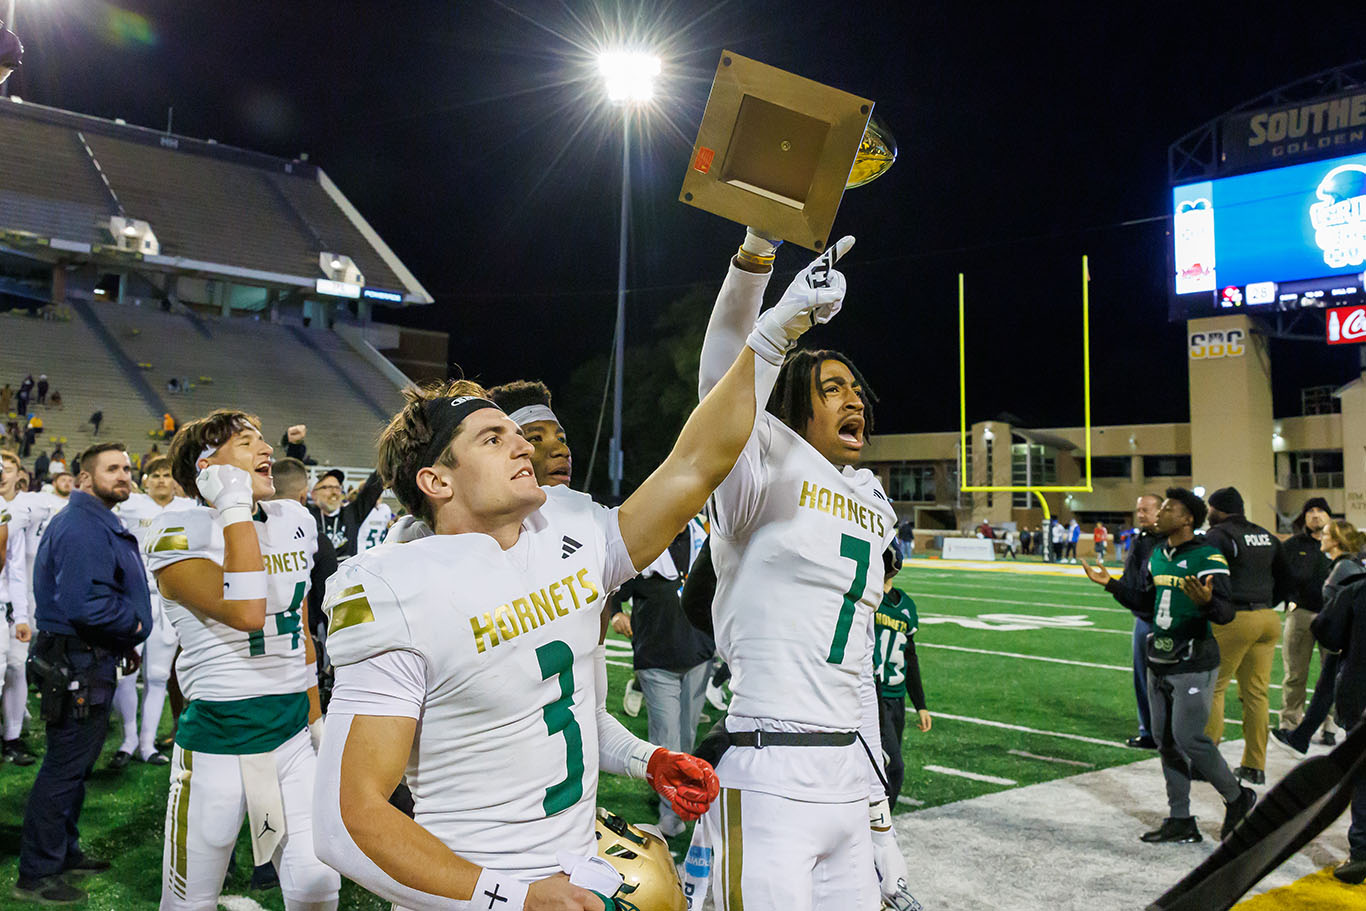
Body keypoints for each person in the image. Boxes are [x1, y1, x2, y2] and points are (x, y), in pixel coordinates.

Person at [312, 234, 844, 908]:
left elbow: (695, 463)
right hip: (478, 892)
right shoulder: (393, 586)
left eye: (516, 434)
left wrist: (771, 336)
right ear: (436, 480)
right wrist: (510, 895)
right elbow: (347, 820)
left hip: (576, 874)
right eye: (492, 438)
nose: (519, 446)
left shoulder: (569, 530)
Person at [686, 232, 911, 911]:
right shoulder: (761, 468)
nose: (854, 400)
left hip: (847, 776)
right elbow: (719, 383)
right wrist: (759, 270)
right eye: (832, 388)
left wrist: (879, 816)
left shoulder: (872, 502)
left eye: (857, 390)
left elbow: (858, 670)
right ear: (793, 403)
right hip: (768, 770)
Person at [144, 411, 338, 910]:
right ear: (207, 466)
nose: (266, 449)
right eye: (247, 443)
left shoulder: (294, 520)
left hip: (292, 731)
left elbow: (299, 627)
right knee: (189, 901)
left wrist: (316, 717)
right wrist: (232, 507)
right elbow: (248, 612)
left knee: (317, 885)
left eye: (262, 439)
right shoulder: (178, 530)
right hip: (219, 739)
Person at [1078, 487, 1254, 845]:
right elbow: (1146, 602)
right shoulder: (1159, 553)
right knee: (1166, 742)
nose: (1159, 515)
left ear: (1187, 518)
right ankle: (1180, 818)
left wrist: (1206, 603)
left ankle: (1238, 797)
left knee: (1190, 737)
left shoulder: (1208, 555)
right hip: (1159, 656)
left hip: (1193, 659)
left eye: (1168, 509)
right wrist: (1111, 585)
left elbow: (1226, 612)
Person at [17, 442, 151, 905]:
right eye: (112, 469)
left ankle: (63, 851)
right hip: (77, 659)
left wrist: (121, 643)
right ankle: (37, 872)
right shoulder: (81, 526)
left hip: (86, 656)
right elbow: (85, 604)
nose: (124, 475)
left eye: (127, 468)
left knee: (75, 766)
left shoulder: (92, 520)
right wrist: (134, 626)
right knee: (63, 768)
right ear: (84, 479)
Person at [607, 527, 716, 836]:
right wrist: (616, 614)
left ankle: (680, 799)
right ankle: (671, 813)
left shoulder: (705, 540)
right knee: (668, 739)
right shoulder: (647, 535)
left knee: (687, 736)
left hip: (698, 654)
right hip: (656, 658)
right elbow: (615, 586)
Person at [108, 455, 194, 766]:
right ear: (145, 481)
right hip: (132, 597)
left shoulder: (189, 509)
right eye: (155, 475)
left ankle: (147, 745)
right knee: (125, 675)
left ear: (175, 480)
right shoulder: (130, 506)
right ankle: (128, 739)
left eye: (166, 475)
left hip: (168, 600)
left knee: (157, 676)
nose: (161, 480)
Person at [1202, 486, 1290, 785]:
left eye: (1210, 508)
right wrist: (1267, 602)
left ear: (1218, 509)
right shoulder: (1265, 535)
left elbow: (1210, 577)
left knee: (1213, 687)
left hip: (1235, 618)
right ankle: (1254, 765)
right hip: (1267, 617)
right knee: (1256, 694)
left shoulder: (1217, 536)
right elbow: (1287, 578)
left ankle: (1206, 763)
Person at [1271, 518, 1365, 756]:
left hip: (1346, 643)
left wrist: (1331, 632)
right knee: (1327, 688)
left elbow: (1343, 610)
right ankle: (1301, 738)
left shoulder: (1345, 568)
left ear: (1336, 540)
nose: (1321, 538)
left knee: (1334, 691)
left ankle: (1313, 741)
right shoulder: (1344, 565)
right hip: (1346, 641)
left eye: (1326, 534)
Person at [1306, 523, 1366, 885]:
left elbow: (1326, 631)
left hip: (1360, 696)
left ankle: (1362, 854)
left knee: (1364, 776)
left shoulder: (1357, 589)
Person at [1083, 494, 1163, 749]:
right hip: (1144, 618)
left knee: (1170, 681)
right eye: (1138, 510)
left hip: (1167, 621)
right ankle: (1148, 731)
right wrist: (1114, 586)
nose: (1140, 515)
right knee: (1142, 679)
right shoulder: (1141, 540)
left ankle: (1170, 733)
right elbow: (1132, 582)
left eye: (1145, 510)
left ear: (1161, 511)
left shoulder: (1172, 541)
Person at [873, 540, 930, 803]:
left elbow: (911, 657)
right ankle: (880, 824)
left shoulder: (906, 605)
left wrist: (921, 705)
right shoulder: (869, 599)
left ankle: (876, 820)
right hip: (873, 695)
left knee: (886, 768)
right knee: (893, 768)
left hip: (897, 698)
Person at [1278, 497, 1337, 741]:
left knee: (1331, 674)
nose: (1315, 514)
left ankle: (1330, 725)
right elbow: (1280, 575)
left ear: (1329, 515)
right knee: (1295, 673)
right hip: (1301, 613)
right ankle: (1289, 722)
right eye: (1310, 510)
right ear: (1304, 517)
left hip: (1333, 615)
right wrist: (1290, 600)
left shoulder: (1339, 543)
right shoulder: (1292, 545)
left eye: (1320, 510)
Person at [311, 468, 383, 559]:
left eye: (337, 487)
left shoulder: (352, 514)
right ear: (314, 494)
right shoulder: (307, 516)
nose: (334, 492)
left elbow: (373, 487)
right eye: (328, 487)